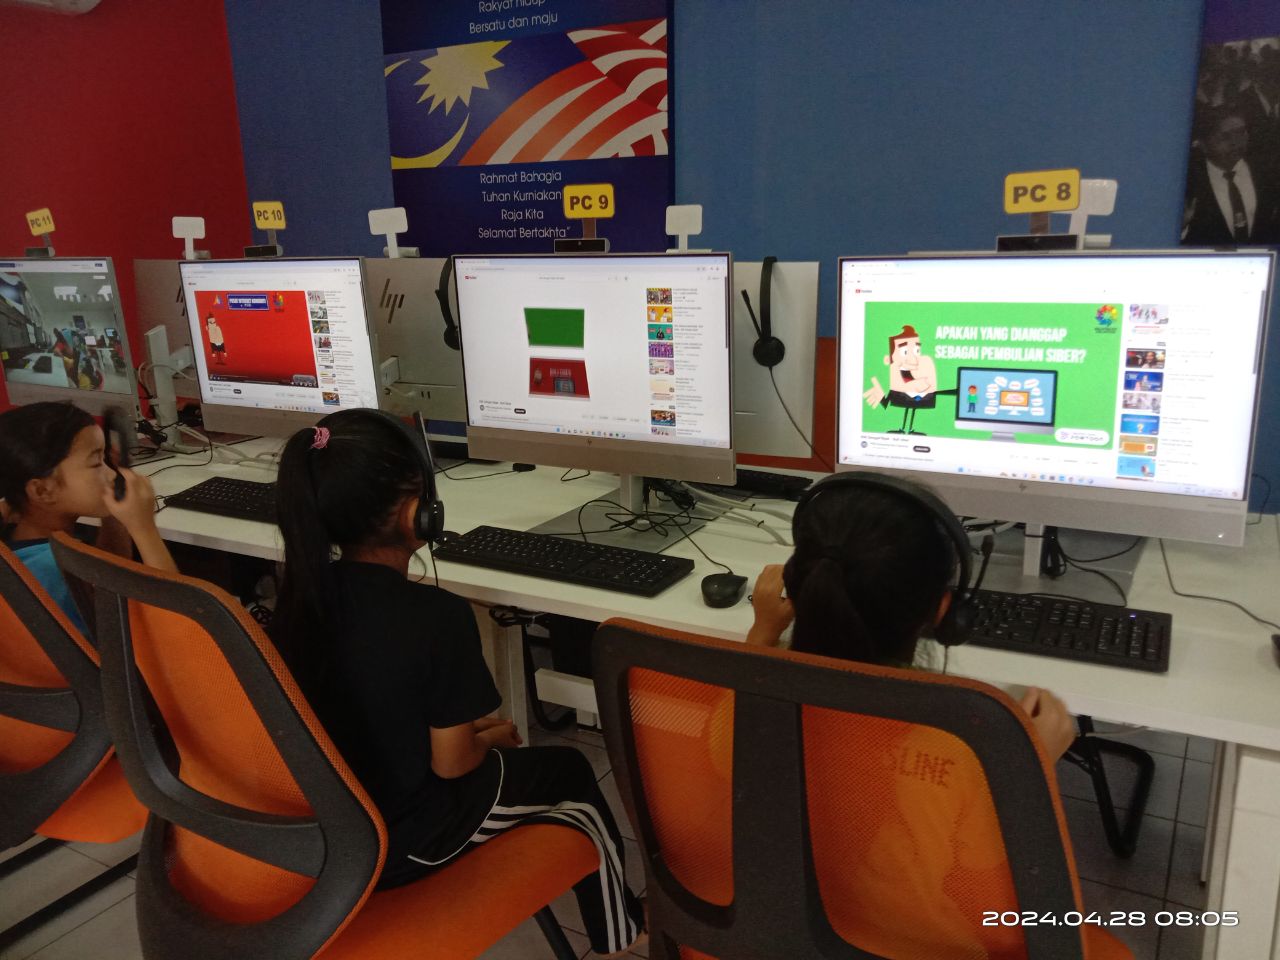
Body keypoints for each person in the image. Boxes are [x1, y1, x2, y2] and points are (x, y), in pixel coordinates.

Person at [271, 409, 644, 957]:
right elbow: (452, 764)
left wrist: (475, 733)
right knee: (570, 775)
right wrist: (487, 739)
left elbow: (382, 705)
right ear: (418, 514)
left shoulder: (298, 599)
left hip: (335, 830)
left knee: (523, 760)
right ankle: (622, 931)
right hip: (407, 840)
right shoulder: (435, 616)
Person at [744, 475, 1083, 957]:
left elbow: (744, 712)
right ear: (944, 611)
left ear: (800, 590)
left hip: (773, 936)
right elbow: (1002, 899)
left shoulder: (746, 703)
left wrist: (762, 633)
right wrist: (1029, 770)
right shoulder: (961, 751)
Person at [0, 402, 177, 634]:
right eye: (95, 463)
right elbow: (174, 624)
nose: (111, 474)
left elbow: (109, 573)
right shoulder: (56, 571)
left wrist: (115, 511)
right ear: (43, 491)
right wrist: (144, 529)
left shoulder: (22, 550)